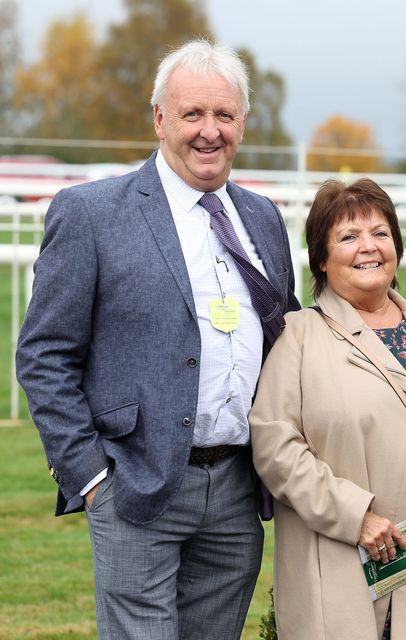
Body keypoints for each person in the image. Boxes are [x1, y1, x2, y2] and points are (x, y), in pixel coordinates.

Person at [15, 39, 300, 639]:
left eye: (224, 116)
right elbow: (44, 355)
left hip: (234, 491)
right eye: (192, 114)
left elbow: (287, 342)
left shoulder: (264, 220)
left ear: (242, 123)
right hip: (135, 485)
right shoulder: (90, 214)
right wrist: (91, 478)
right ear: (159, 119)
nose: (209, 131)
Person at [248, 177, 406, 640]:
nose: (369, 247)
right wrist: (354, 515)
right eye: (348, 236)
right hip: (338, 560)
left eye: (380, 233)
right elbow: (275, 445)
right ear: (321, 258)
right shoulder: (297, 338)